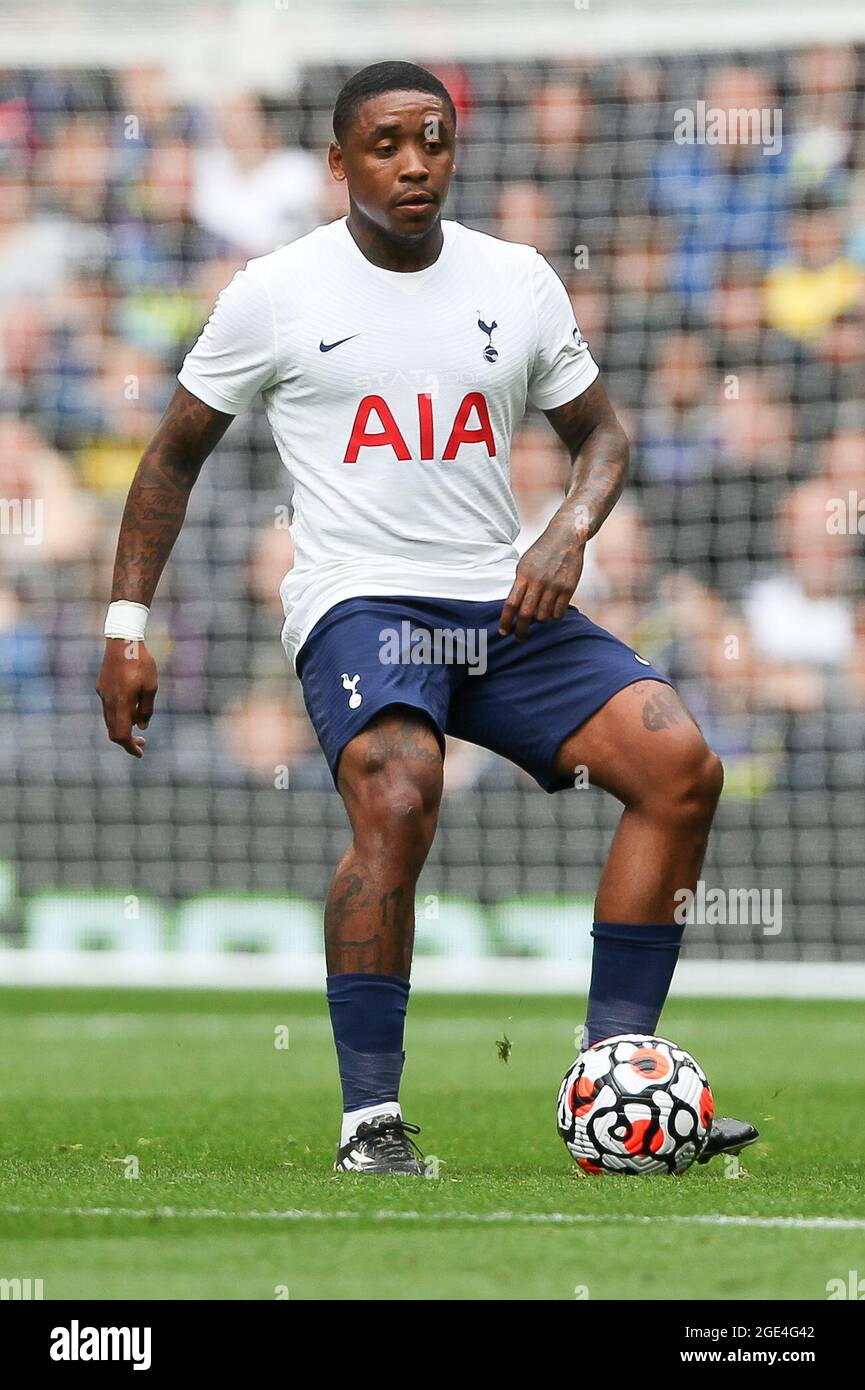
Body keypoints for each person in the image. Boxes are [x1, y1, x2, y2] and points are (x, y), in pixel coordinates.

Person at [96, 61, 756, 1175]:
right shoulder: (273, 292)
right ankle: (371, 1120)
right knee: (400, 795)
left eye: (433, 141)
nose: (414, 164)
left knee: (680, 764)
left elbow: (603, 435)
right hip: (363, 598)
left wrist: (566, 531)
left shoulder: (518, 278)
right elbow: (171, 457)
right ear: (339, 161)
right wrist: (124, 626)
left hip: (500, 594)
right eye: (387, 144)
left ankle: (618, 1077)